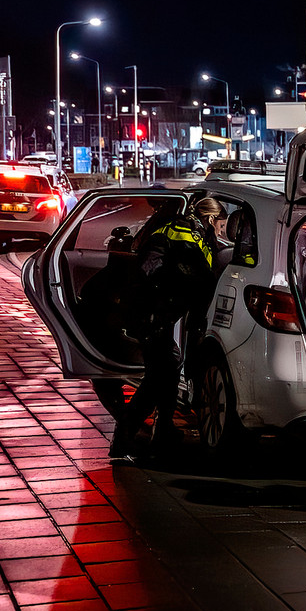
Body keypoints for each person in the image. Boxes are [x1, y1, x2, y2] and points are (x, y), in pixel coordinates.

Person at [109, 196, 224, 462]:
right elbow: (170, 270)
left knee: (168, 369)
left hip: (154, 312)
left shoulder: (188, 232)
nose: (221, 230)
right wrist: (180, 290)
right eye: (220, 224)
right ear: (210, 218)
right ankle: (122, 442)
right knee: (157, 379)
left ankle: (163, 434)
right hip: (152, 314)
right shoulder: (187, 234)